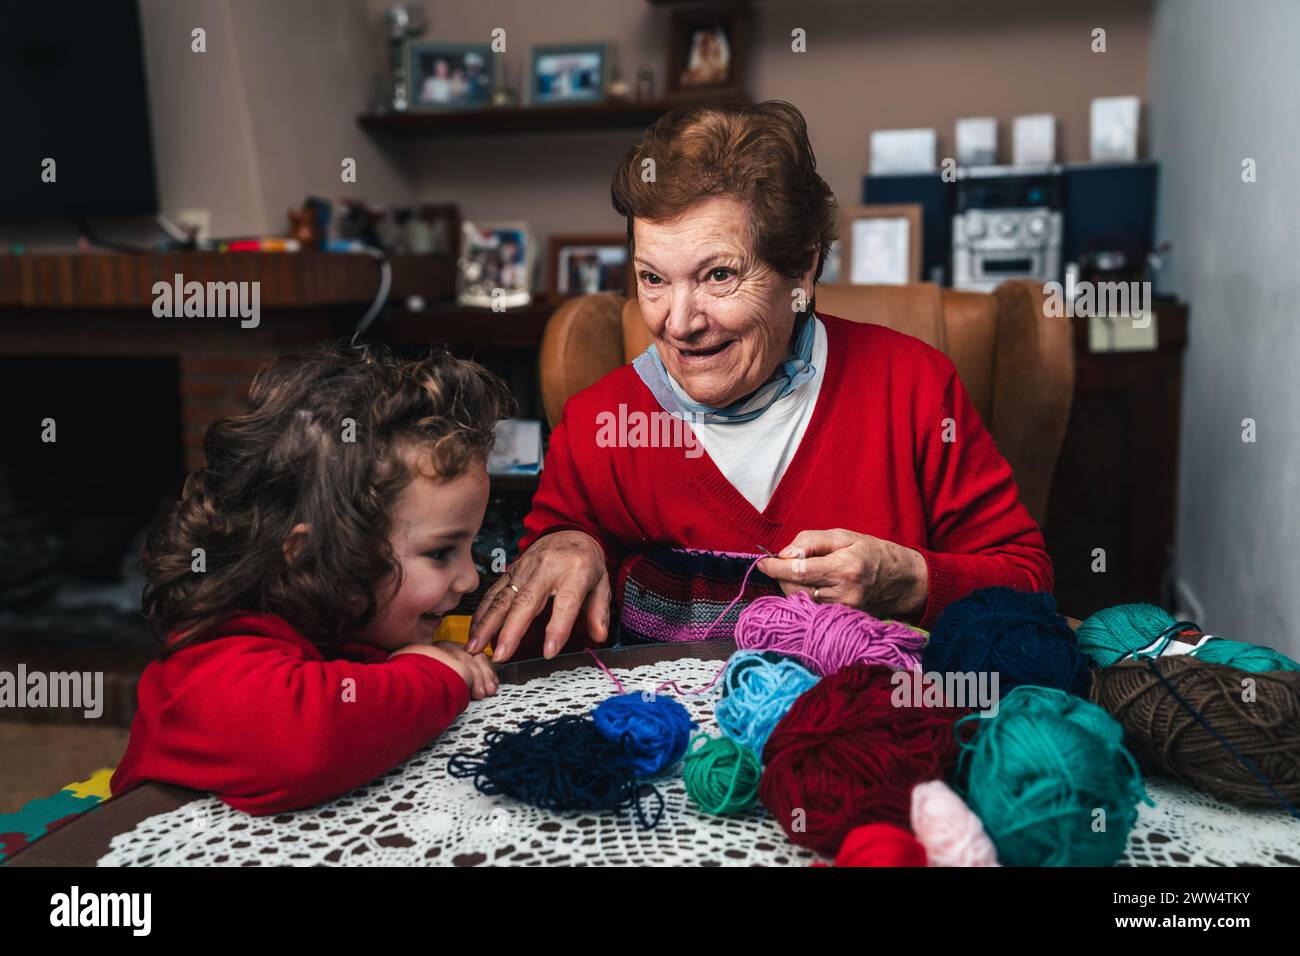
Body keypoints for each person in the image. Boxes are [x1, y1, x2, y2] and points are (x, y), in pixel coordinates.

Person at [468, 100, 1052, 663]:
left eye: (718, 275)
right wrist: (571, 544)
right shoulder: (601, 425)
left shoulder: (915, 389)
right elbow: (536, 628)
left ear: (802, 266)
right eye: (652, 278)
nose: (678, 323)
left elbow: (1029, 584)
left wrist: (908, 579)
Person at [111, 343, 511, 814]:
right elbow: (301, 747)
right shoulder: (214, 657)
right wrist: (433, 676)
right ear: (310, 555)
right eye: (442, 552)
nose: (468, 578)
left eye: (471, 547)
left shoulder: (348, 623)